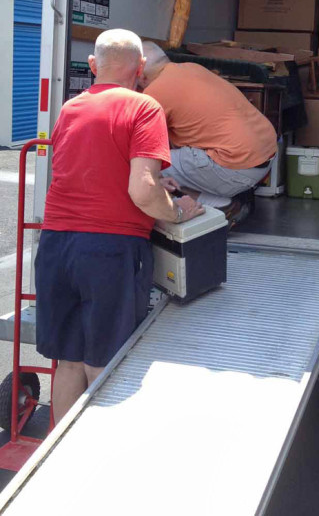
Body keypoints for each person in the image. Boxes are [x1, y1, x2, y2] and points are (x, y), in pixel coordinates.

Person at [36, 29, 204, 424]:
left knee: (69, 362)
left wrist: (148, 181)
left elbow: (87, 170)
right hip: (108, 251)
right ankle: (98, 460)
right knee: (104, 362)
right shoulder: (144, 108)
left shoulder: (71, 108)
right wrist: (177, 211)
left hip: (57, 246)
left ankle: (59, 456)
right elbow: (143, 192)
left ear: (94, 66)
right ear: (141, 68)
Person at [139, 42, 278, 222]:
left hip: (237, 167)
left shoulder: (154, 93)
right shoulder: (192, 68)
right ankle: (236, 195)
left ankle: (224, 204)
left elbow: (138, 143)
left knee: (145, 165)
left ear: (141, 76)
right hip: (265, 158)